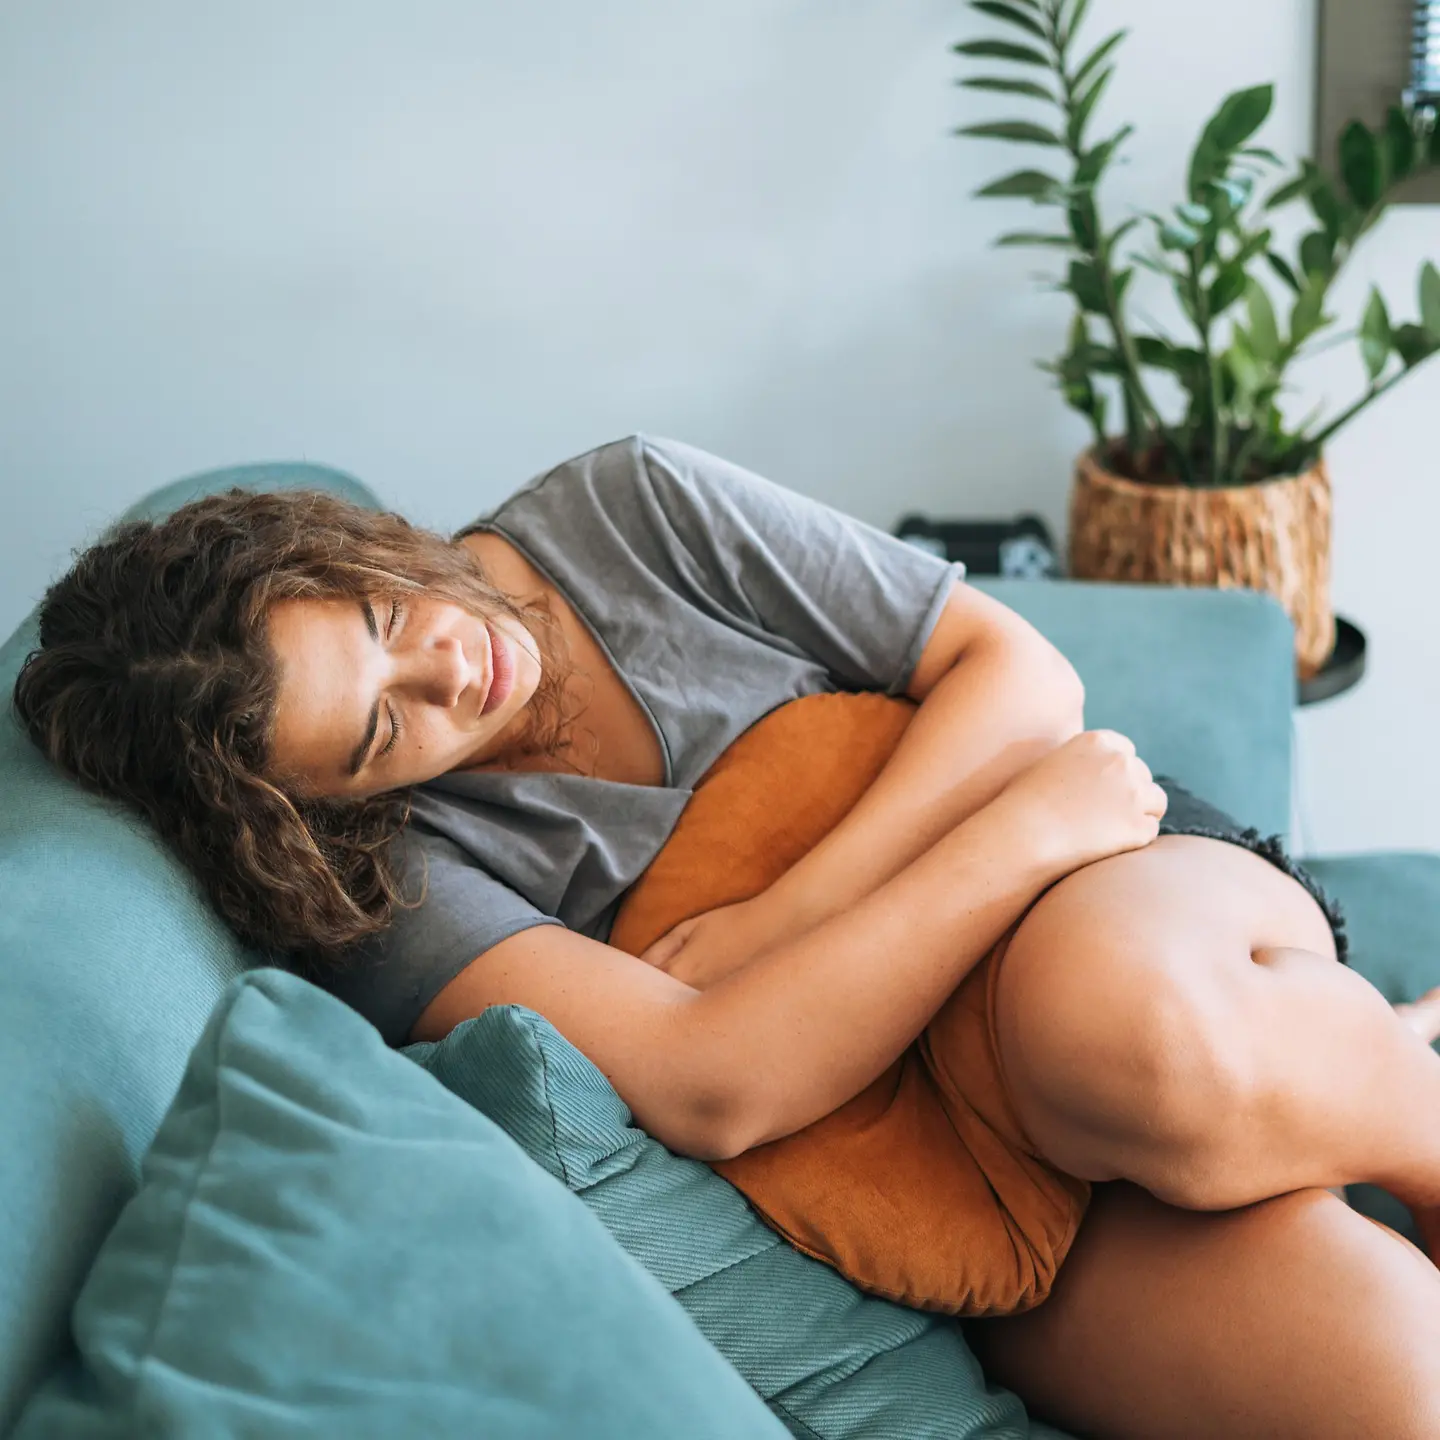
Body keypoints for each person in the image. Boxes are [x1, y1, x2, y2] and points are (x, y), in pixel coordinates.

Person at [15, 433, 1440, 1440]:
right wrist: (1005, 829)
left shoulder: (624, 510)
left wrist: (795, 913)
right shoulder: (392, 891)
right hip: (938, 1163)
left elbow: (1017, 674)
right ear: (311, 816)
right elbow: (717, 1084)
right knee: (1393, 1391)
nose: (450, 666)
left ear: (334, 548)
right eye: (385, 729)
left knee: (1131, 1038)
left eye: (386, 614)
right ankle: (1353, 1073)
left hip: (1106, 892)